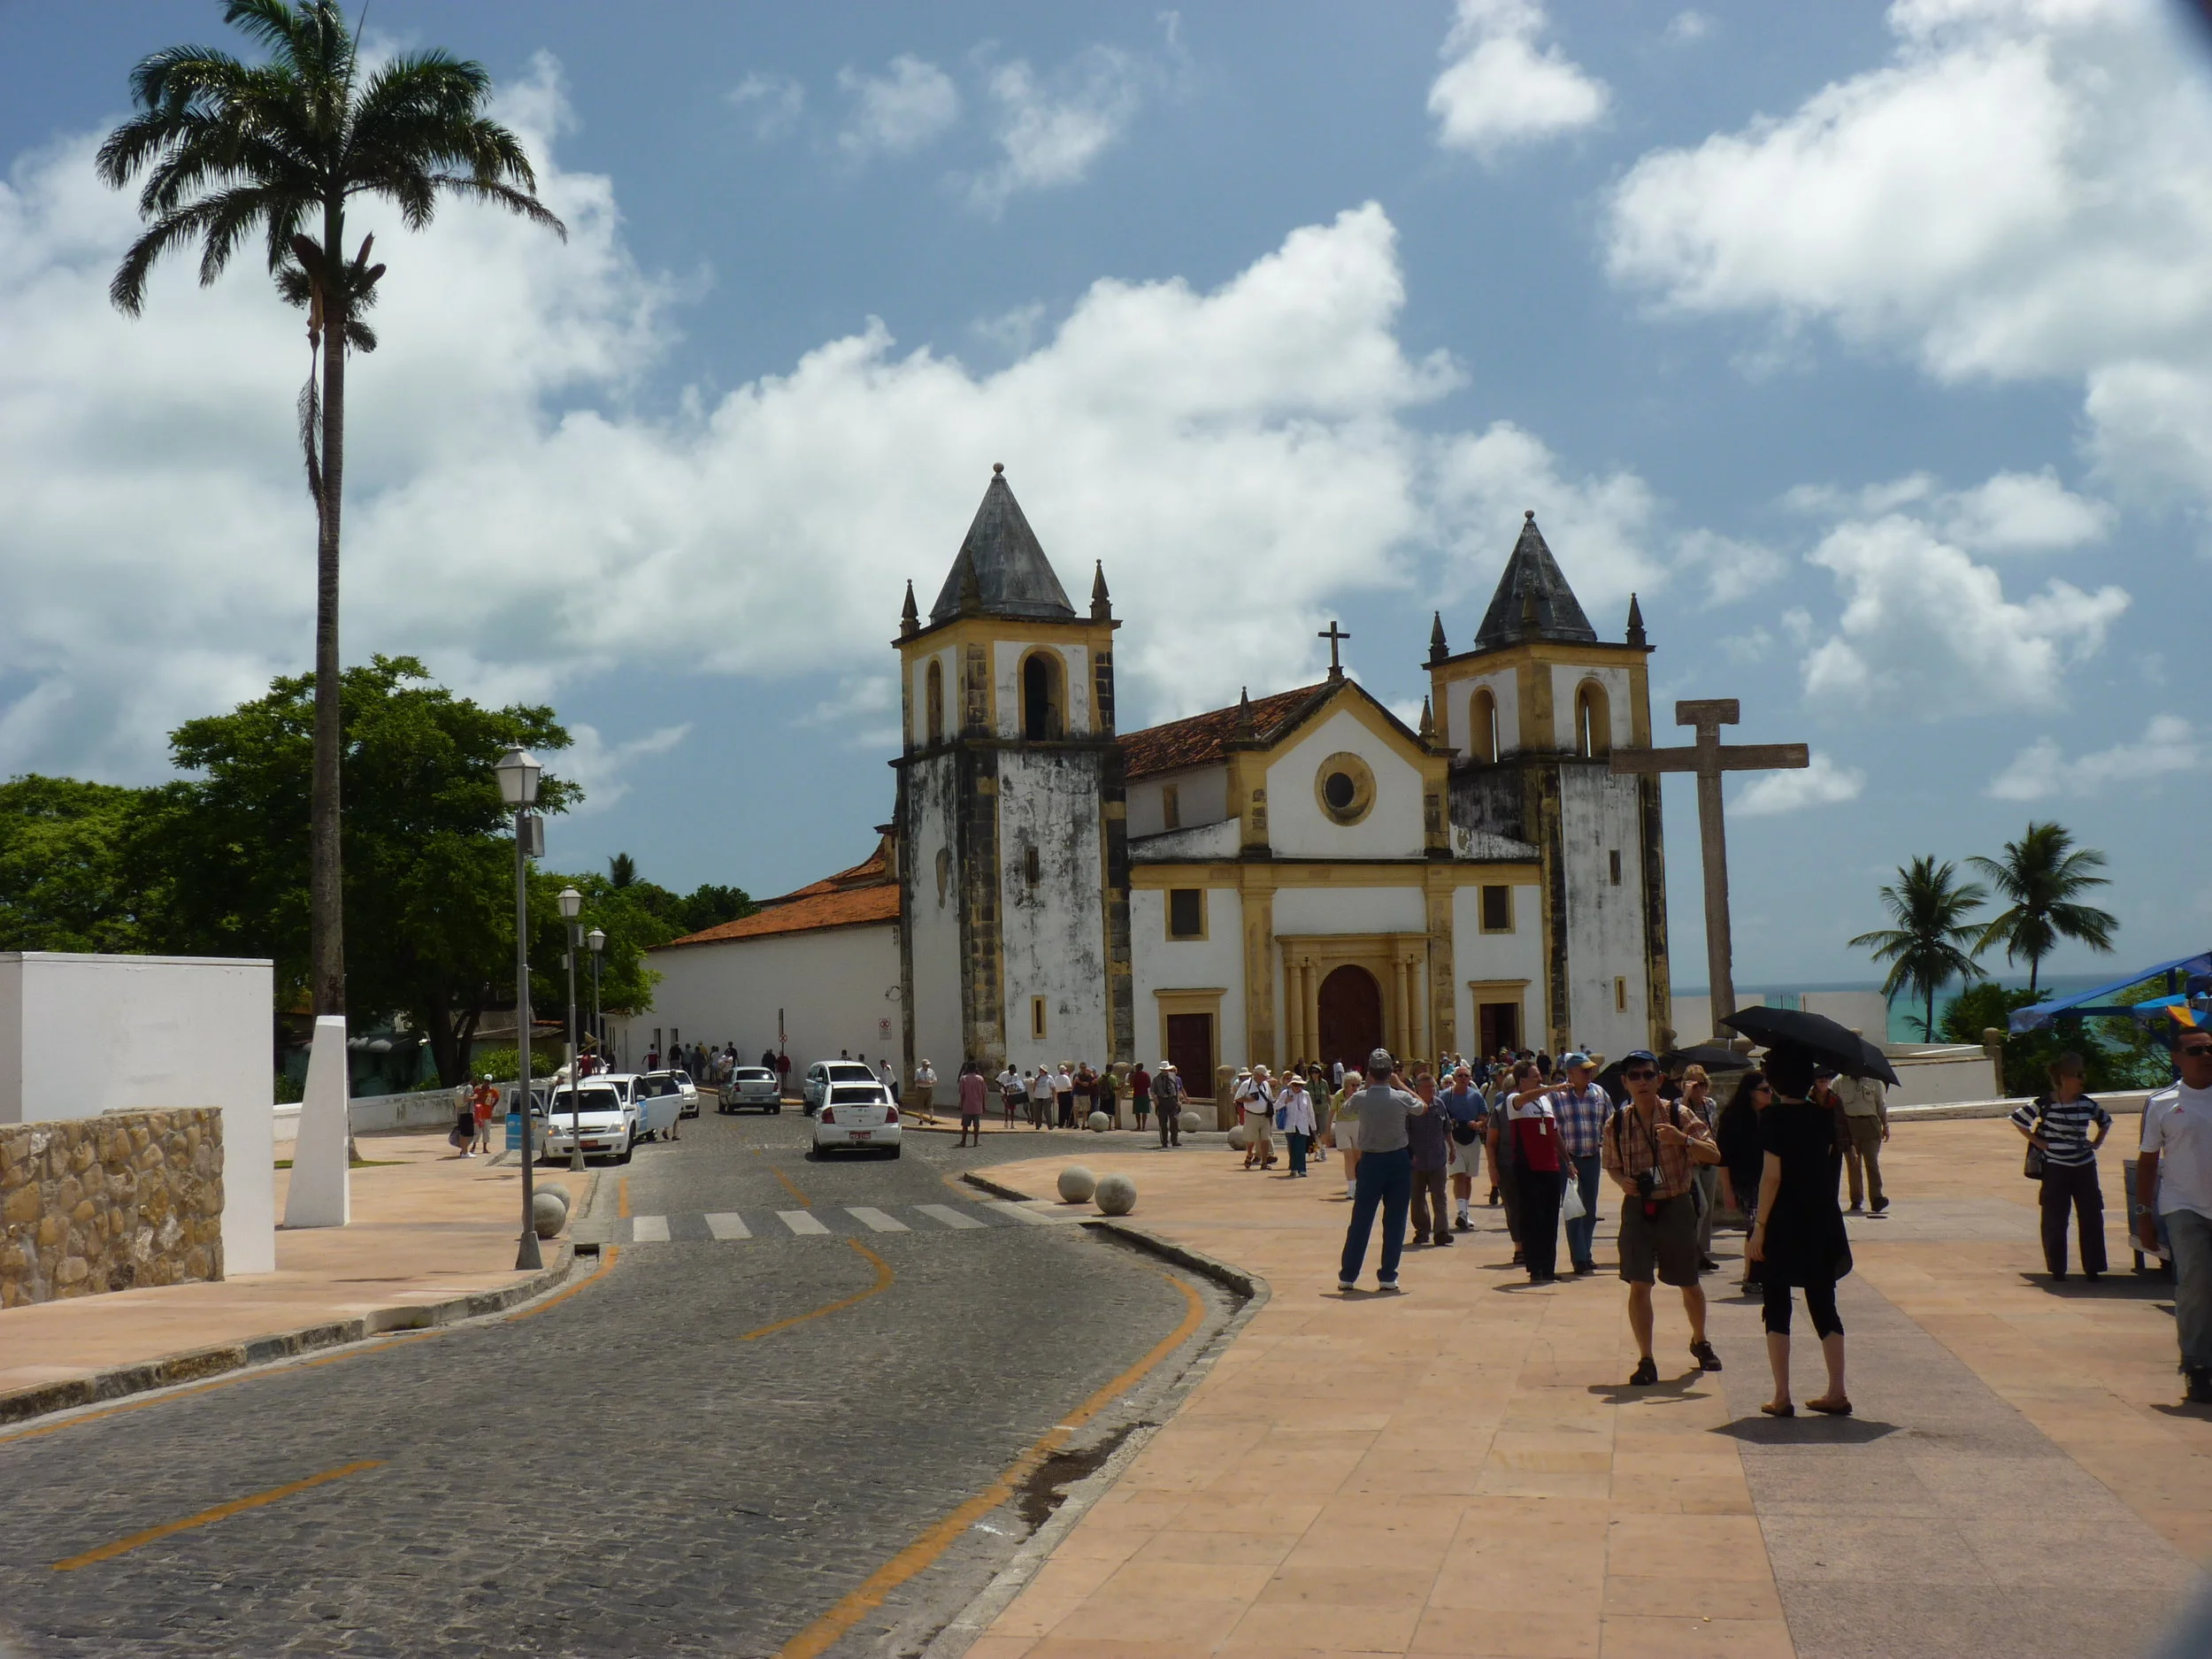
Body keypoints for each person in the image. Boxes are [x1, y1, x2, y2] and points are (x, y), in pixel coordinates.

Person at [1602, 1048, 1724, 1384]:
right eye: (1634, 1076)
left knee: (1688, 1281)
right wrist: (1621, 1180)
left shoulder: (1678, 1114)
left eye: (1648, 1075)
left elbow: (1713, 1154)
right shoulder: (1617, 1123)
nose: (1642, 1082)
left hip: (1675, 1203)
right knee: (1639, 1283)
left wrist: (1681, 1140)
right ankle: (1646, 1358)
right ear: (1625, 1083)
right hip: (1638, 1207)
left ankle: (1700, 1340)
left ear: (1659, 1080)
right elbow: (1611, 1164)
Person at [1747, 1044, 1853, 1416]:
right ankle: (1836, 1390)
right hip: (1821, 1215)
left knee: (1777, 1304)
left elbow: (1771, 1177)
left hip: (1783, 1219)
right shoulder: (1822, 1116)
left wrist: (1759, 1227)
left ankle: (1781, 1395)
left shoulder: (1772, 1118)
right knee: (1824, 1303)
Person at [2138, 1030, 2212, 1405]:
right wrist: (2143, 1216)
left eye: (2210, 1048)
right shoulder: (2163, 1103)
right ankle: (2198, 1367)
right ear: (2178, 1057)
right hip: (2185, 1207)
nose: (2206, 1055)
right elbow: (2148, 1161)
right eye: (2196, 1050)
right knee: (2196, 1285)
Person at [2011, 1051, 2111, 1280]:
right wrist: (2039, 1143)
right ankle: (2057, 1268)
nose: (2082, 1079)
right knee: (2055, 1217)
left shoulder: (2087, 1104)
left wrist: (2096, 1143)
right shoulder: (2044, 1103)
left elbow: (2105, 1121)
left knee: (2091, 1215)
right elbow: (2017, 1119)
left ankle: (2093, 1267)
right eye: (2078, 1075)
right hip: (2056, 1166)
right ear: (2065, 1078)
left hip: (2085, 1166)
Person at [1337, 1048, 1424, 1292]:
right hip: (1397, 1161)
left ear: (1370, 1074)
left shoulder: (1361, 1098)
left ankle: (1348, 1275)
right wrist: (1402, 1085)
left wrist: (1365, 1087)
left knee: (1361, 1219)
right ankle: (1388, 1275)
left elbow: (1344, 1111)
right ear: (1390, 1073)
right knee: (1395, 1221)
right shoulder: (1400, 1097)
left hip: (1371, 1162)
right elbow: (1423, 1107)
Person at [1548, 1051, 1612, 1276]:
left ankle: (1586, 1251)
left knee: (1590, 1209)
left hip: (1592, 1157)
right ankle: (1580, 1257)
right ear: (1571, 1073)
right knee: (1574, 1208)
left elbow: (1610, 1122)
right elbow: (1551, 1129)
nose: (1589, 1074)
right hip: (1569, 1158)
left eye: (1590, 1070)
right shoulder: (1557, 1096)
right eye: (1584, 1070)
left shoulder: (1599, 1093)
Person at [1505, 1062, 1564, 1281]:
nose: (1540, 1079)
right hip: (1527, 1166)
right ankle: (1535, 1266)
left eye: (1540, 1076)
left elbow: (1554, 1132)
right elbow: (1523, 1099)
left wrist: (1567, 1159)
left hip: (1550, 1166)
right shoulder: (1513, 1100)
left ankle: (1548, 1266)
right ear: (1522, 1081)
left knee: (1550, 1218)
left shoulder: (1545, 1103)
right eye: (1535, 1076)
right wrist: (1551, 1088)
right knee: (1533, 1217)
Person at [1717, 1071, 1771, 1294]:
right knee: (1754, 1226)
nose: (1770, 1094)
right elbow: (1723, 1159)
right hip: (1745, 1182)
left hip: (1767, 1181)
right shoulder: (1732, 1118)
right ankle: (1751, 1276)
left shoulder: (1770, 1116)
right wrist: (1728, 1191)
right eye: (1765, 1090)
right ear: (1751, 1093)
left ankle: (1760, 1273)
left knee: (1764, 1228)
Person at [1832, 1056, 1890, 1215]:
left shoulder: (1874, 1081)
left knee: (1872, 1162)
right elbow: (1835, 1105)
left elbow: (1881, 1105)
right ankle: (1856, 1199)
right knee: (1853, 1163)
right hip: (1849, 1124)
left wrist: (1885, 1125)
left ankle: (1877, 1198)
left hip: (1870, 1124)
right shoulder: (1839, 1082)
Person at [1680, 1065, 1723, 1271]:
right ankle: (1689, 1251)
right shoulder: (1680, 1107)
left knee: (1708, 1210)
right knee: (1700, 1207)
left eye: (1703, 1084)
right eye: (1695, 1085)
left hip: (1708, 1161)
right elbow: (1678, 1126)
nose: (1700, 1089)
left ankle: (1701, 1253)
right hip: (1690, 1162)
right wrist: (1686, 1096)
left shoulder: (1710, 1104)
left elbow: (1713, 1130)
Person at [1406, 1071, 1455, 1247]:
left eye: (1433, 1087)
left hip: (1438, 1159)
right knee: (1417, 1198)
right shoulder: (1411, 1108)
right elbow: (1405, 1133)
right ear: (1418, 1089)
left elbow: (1446, 1127)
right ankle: (1422, 1230)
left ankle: (1442, 1232)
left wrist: (1452, 1148)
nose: (1432, 1090)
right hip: (1416, 1161)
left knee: (1440, 1197)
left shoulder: (1439, 1104)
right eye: (1427, 1087)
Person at [1440, 1065, 1486, 1232]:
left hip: (1471, 1138)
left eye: (1466, 1075)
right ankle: (1460, 1212)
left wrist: (1478, 1124)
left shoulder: (1476, 1096)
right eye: (1460, 1075)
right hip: (1453, 1140)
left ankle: (1465, 1212)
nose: (1463, 1078)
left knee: (1468, 1177)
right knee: (1458, 1175)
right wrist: (1449, 1123)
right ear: (1454, 1077)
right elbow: (1439, 1115)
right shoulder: (1445, 1096)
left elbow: (1484, 1116)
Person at [1277, 1071, 1317, 1176]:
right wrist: (1285, 1101)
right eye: (1295, 1085)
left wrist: (1313, 1126)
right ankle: (1294, 1168)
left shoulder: (1306, 1095)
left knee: (1301, 1147)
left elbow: (1310, 1111)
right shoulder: (1286, 1093)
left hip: (1302, 1125)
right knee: (1292, 1147)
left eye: (1299, 1085)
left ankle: (1302, 1169)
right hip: (1290, 1125)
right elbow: (1276, 1106)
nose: (1297, 1087)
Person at [1329, 1070, 1362, 1198]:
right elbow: (1331, 1113)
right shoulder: (1338, 1095)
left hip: (1358, 1125)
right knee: (1348, 1157)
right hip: (1342, 1125)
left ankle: (1360, 1183)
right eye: (1353, 1085)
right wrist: (1326, 1132)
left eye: (1357, 1085)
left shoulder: (1361, 1096)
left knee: (1358, 1157)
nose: (1355, 1088)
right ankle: (1351, 1188)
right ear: (1346, 1085)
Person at [1238, 1066, 1275, 1169]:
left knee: (1265, 1139)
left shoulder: (1266, 1085)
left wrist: (1271, 1115)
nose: (1265, 1078)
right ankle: (1249, 1154)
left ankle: (1264, 1162)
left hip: (1264, 1116)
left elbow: (1270, 1099)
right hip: (1251, 1115)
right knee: (1250, 1141)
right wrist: (1249, 1100)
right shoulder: (1246, 1085)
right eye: (1264, 1076)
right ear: (1257, 1075)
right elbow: (1238, 1098)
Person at [956, 1060, 987, 1148]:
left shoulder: (964, 1079)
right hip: (978, 1105)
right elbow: (983, 1094)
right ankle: (976, 1141)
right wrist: (984, 1106)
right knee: (976, 1125)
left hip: (967, 1105)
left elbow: (962, 1094)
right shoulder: (980, 1079)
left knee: (965, 1125)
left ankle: (963, 1141)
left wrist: (961, 1105)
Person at [1153, 1063, 1185, 1147]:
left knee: (1174, 1120)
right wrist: (1155, 1100)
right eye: (1164, 1070)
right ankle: (1164, 1141)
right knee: (1163, 1123)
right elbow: (1152, 1091)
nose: (1165, 1072)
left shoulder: (1173, 1077)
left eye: (1167, 1070)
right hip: (1162, 1101)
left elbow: (1177, 1089)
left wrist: (1178, 1100)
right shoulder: (1156, 1079)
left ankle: (1174, 1140)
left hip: (1172, 1100)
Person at [469, 1074, 499, 1156]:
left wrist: (492, 1106)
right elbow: (474, 1099)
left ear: (490, 1082)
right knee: (477, 1131)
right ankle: (473, 1146)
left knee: (486, 1131)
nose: (486, 1083)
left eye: (488, 1081)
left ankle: (484, 1148)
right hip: (479, 1114)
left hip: (488, 1114)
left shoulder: (493, 1091)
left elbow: (497, 1098)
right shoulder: (477, 1089)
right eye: (485, 1081)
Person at [913, 1058, 938, 1125]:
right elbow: (916, 1080)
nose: (927, 1066)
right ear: (923, 1065)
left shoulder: (931, 1071)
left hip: (929, 1089)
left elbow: (935, 1079)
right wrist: (923, 1081)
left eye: (928, 1065)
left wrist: (931, 1082)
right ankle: (921, 1120)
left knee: (930, 1105)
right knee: (921, 1105)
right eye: (926, 1065)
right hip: (921, 1089)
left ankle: (931, 1119)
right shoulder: (918, 1071)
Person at [1129, 1061, 1152, 1132]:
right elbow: (1149, 1085)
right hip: (1144, 1095)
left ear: (1137, 1068)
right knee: (1144, 1112)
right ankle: (1143, 1127)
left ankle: (1139, 1126)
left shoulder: (1134, 1076)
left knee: (1137, 1111)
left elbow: (1131, 1085)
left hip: (1137, 1095)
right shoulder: (1146, 1075)